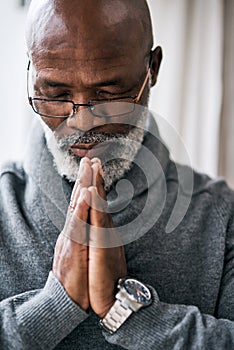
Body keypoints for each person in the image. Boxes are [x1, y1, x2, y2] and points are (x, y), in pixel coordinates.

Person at [0, 0, 234, 349]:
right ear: (32, 72)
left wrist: (128, 310)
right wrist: (51, 307)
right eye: (56, 94)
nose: (81, 123)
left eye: (108, 94)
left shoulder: (221, 216)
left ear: (152, 69)